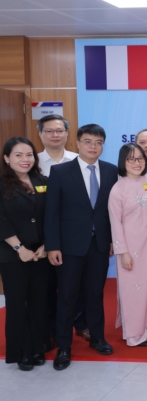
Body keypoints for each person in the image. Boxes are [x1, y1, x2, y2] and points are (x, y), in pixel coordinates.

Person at [46, 124, 118, 371]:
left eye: (98, 142)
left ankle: (97, 338)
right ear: (77, 143)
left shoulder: (110, 171)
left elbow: (111, 212)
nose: (93, 147)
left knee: (95, 294)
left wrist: (112, 240)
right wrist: (53, 246)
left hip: (99, 245)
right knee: (67, 296)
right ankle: (64, 346)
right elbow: (52, 213)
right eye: (88, 141)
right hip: (69, 247)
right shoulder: (60, 171)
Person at [36, 114, 86, 348]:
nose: (55, 135)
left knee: (77, 285)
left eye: (59, 130)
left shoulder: (80, 160)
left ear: (67, 134)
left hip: (75, 236)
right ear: (40, 134)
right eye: (49, 131)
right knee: (46, 286)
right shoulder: (32, 161)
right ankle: (51, 331)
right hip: (41, 235)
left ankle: (81, 324)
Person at [0, 137, 49, 371]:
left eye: (29, 154)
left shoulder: (43, 181)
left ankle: (38, 347)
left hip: (40, 253)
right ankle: (21, 351)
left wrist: (46, 245)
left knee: (40, 302)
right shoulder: (2, 184)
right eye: (18, 155)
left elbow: (51, 215)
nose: (25, 159)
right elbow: (1, 220)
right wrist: (19, 248)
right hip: (12, 254)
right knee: (17, 303)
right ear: (6, 158)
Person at [108, 143, 147, 347]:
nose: (137, 163)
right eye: (131, 159)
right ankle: (134, 334)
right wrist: (123, 252)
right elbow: (115, 223)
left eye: (140, 158)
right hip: (130, 246)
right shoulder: (117, 189)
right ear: (123, 162)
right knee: (133, 290)